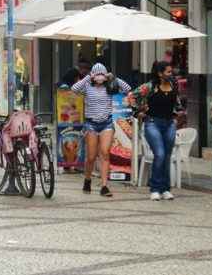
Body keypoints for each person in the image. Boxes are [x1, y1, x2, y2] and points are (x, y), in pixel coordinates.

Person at [70, 63, 131, 197]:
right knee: (91, 157)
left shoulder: (110, 86)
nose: (99, 77)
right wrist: (87, 77)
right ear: (93, 75)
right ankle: (87, 179)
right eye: (97, 74)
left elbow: (128, 88)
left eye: (102, 74)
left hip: (107, 124)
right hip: (91, 124)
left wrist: (113, 78)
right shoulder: (87, 86)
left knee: (105, 153)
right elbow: (74, 89)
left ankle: (104, 186)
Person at [128, 61, 184, 201]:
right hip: (153, 123)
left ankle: (165, 189)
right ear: (160, 73)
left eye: (172, 72)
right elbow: (131, 97)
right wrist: (138, 112)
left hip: (169, 123)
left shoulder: (173, 86)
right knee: (159, 154)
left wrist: (177, 115)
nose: (171, 75)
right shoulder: (150, 86)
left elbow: (177, 104)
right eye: (168, 72)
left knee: (167, 156)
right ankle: (154, 188)